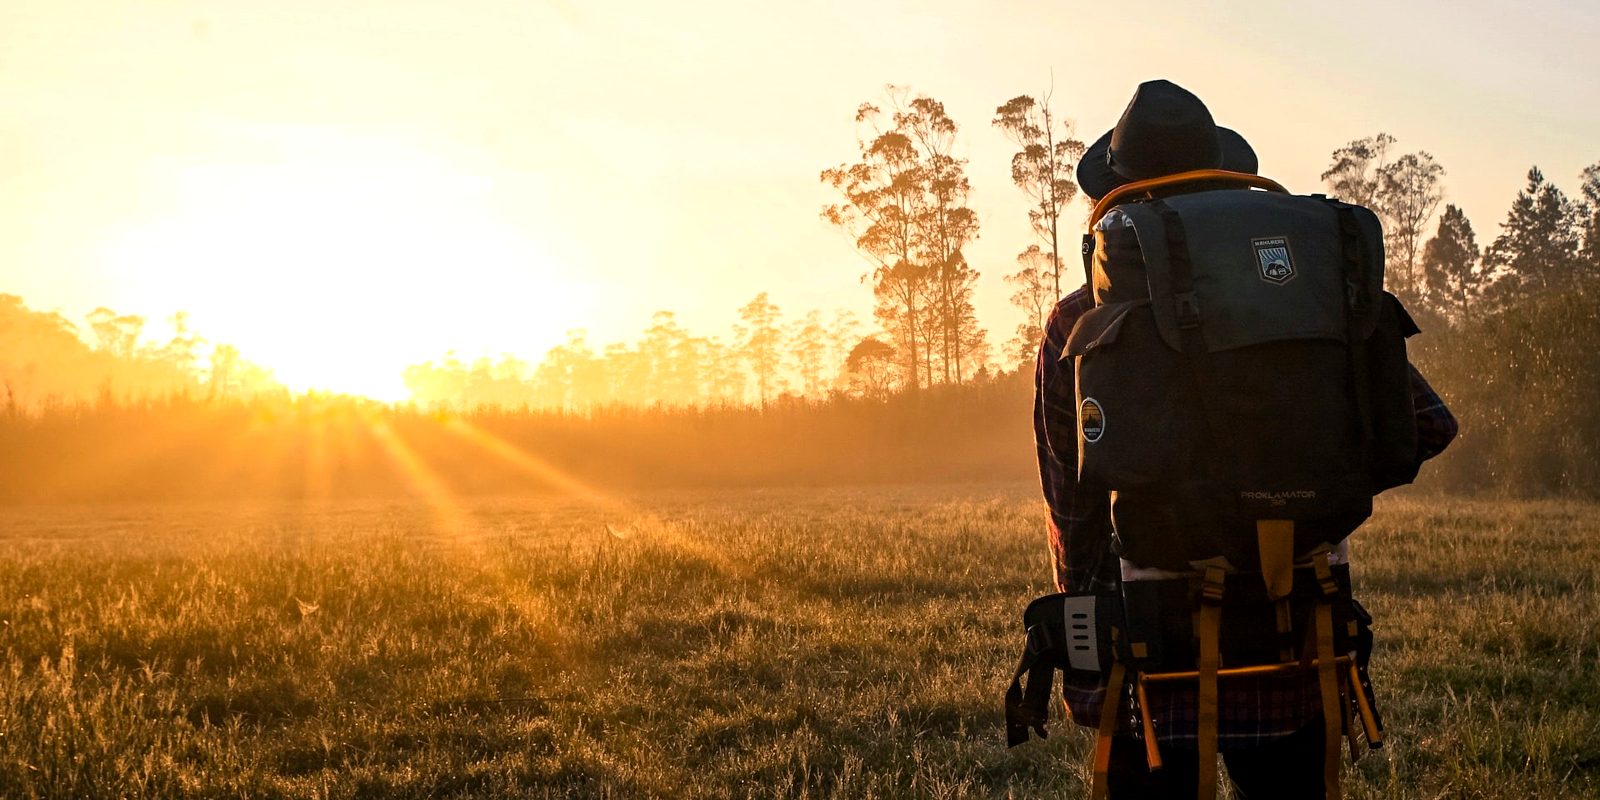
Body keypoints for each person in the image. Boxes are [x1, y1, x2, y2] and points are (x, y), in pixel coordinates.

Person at [1033, 79, 1458, 798]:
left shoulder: (1079, 317)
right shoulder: (1315, 291)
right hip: (1299, 634)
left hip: (1153, 648)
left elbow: (1073, 501)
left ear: (1122, 193)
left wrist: (1083, 629)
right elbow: (1427, 425)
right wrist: (1305, 486)